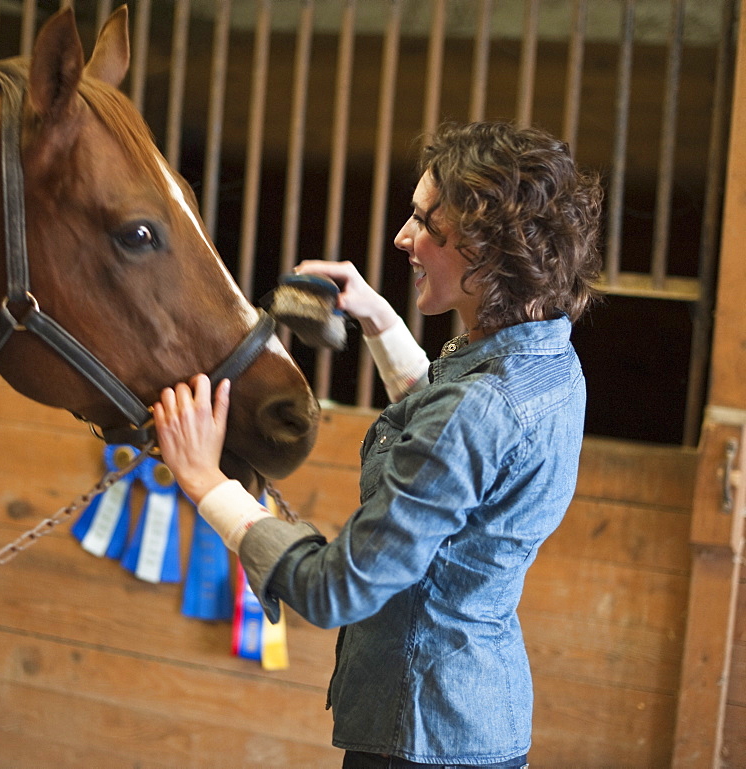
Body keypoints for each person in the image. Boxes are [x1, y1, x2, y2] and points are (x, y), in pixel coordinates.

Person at [153, 121, 603, 768]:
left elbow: (336, 588)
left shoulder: (477, 408)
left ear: (486, 247)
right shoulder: (548, 357)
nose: (403, 237)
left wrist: (205, 481)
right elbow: (461, 441)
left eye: (426, 223)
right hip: (481, 718)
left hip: (420, 736)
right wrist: (379, 316)